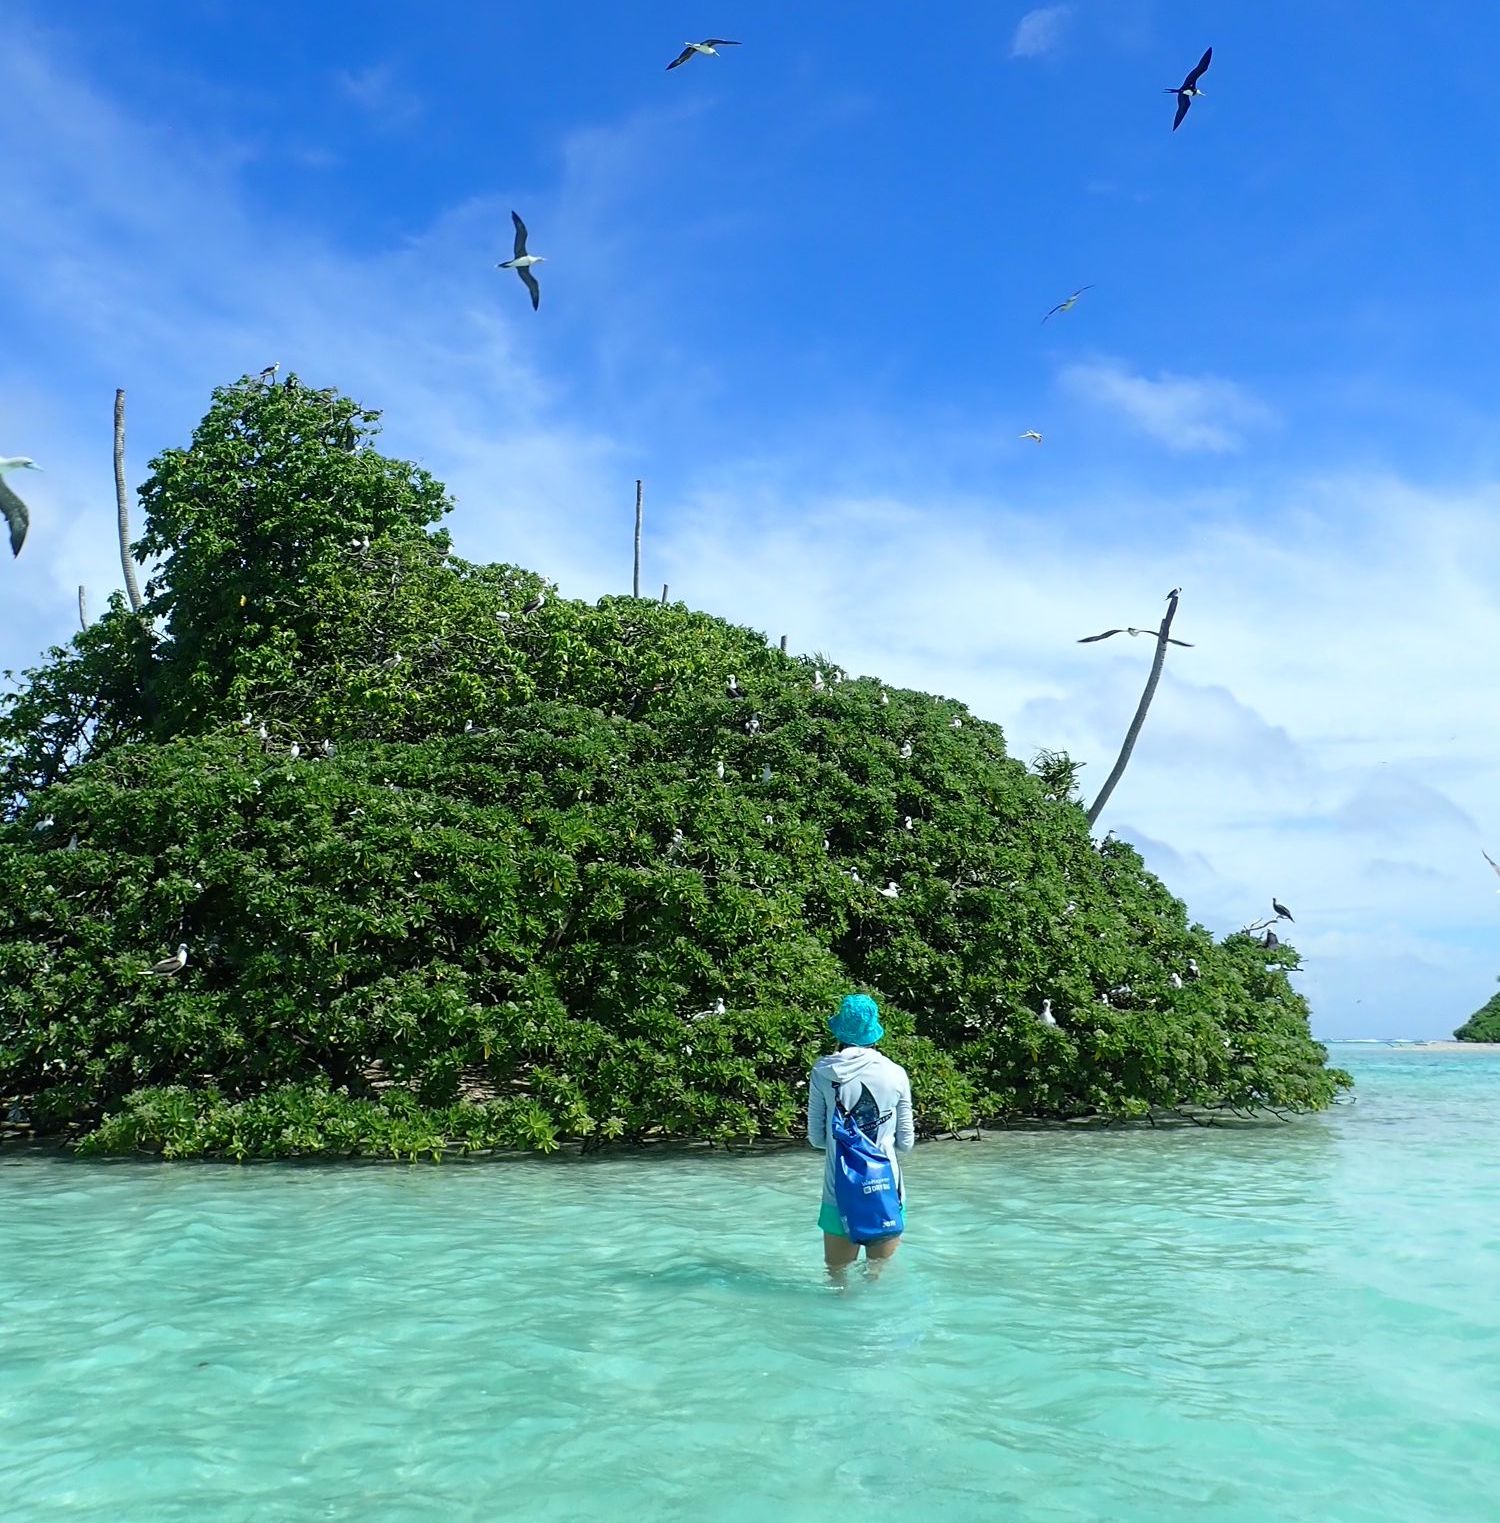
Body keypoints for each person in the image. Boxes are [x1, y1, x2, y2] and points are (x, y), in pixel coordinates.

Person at [806, 992, 915, 1273]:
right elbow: (906, 1142)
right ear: (874, 1032)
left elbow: (817, 1138)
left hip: (837, 1189)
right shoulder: (896, 1073)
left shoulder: (823, 1071)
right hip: (885, 1188)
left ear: (840, 1031)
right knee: (879, 1280)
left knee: (837, 1280)